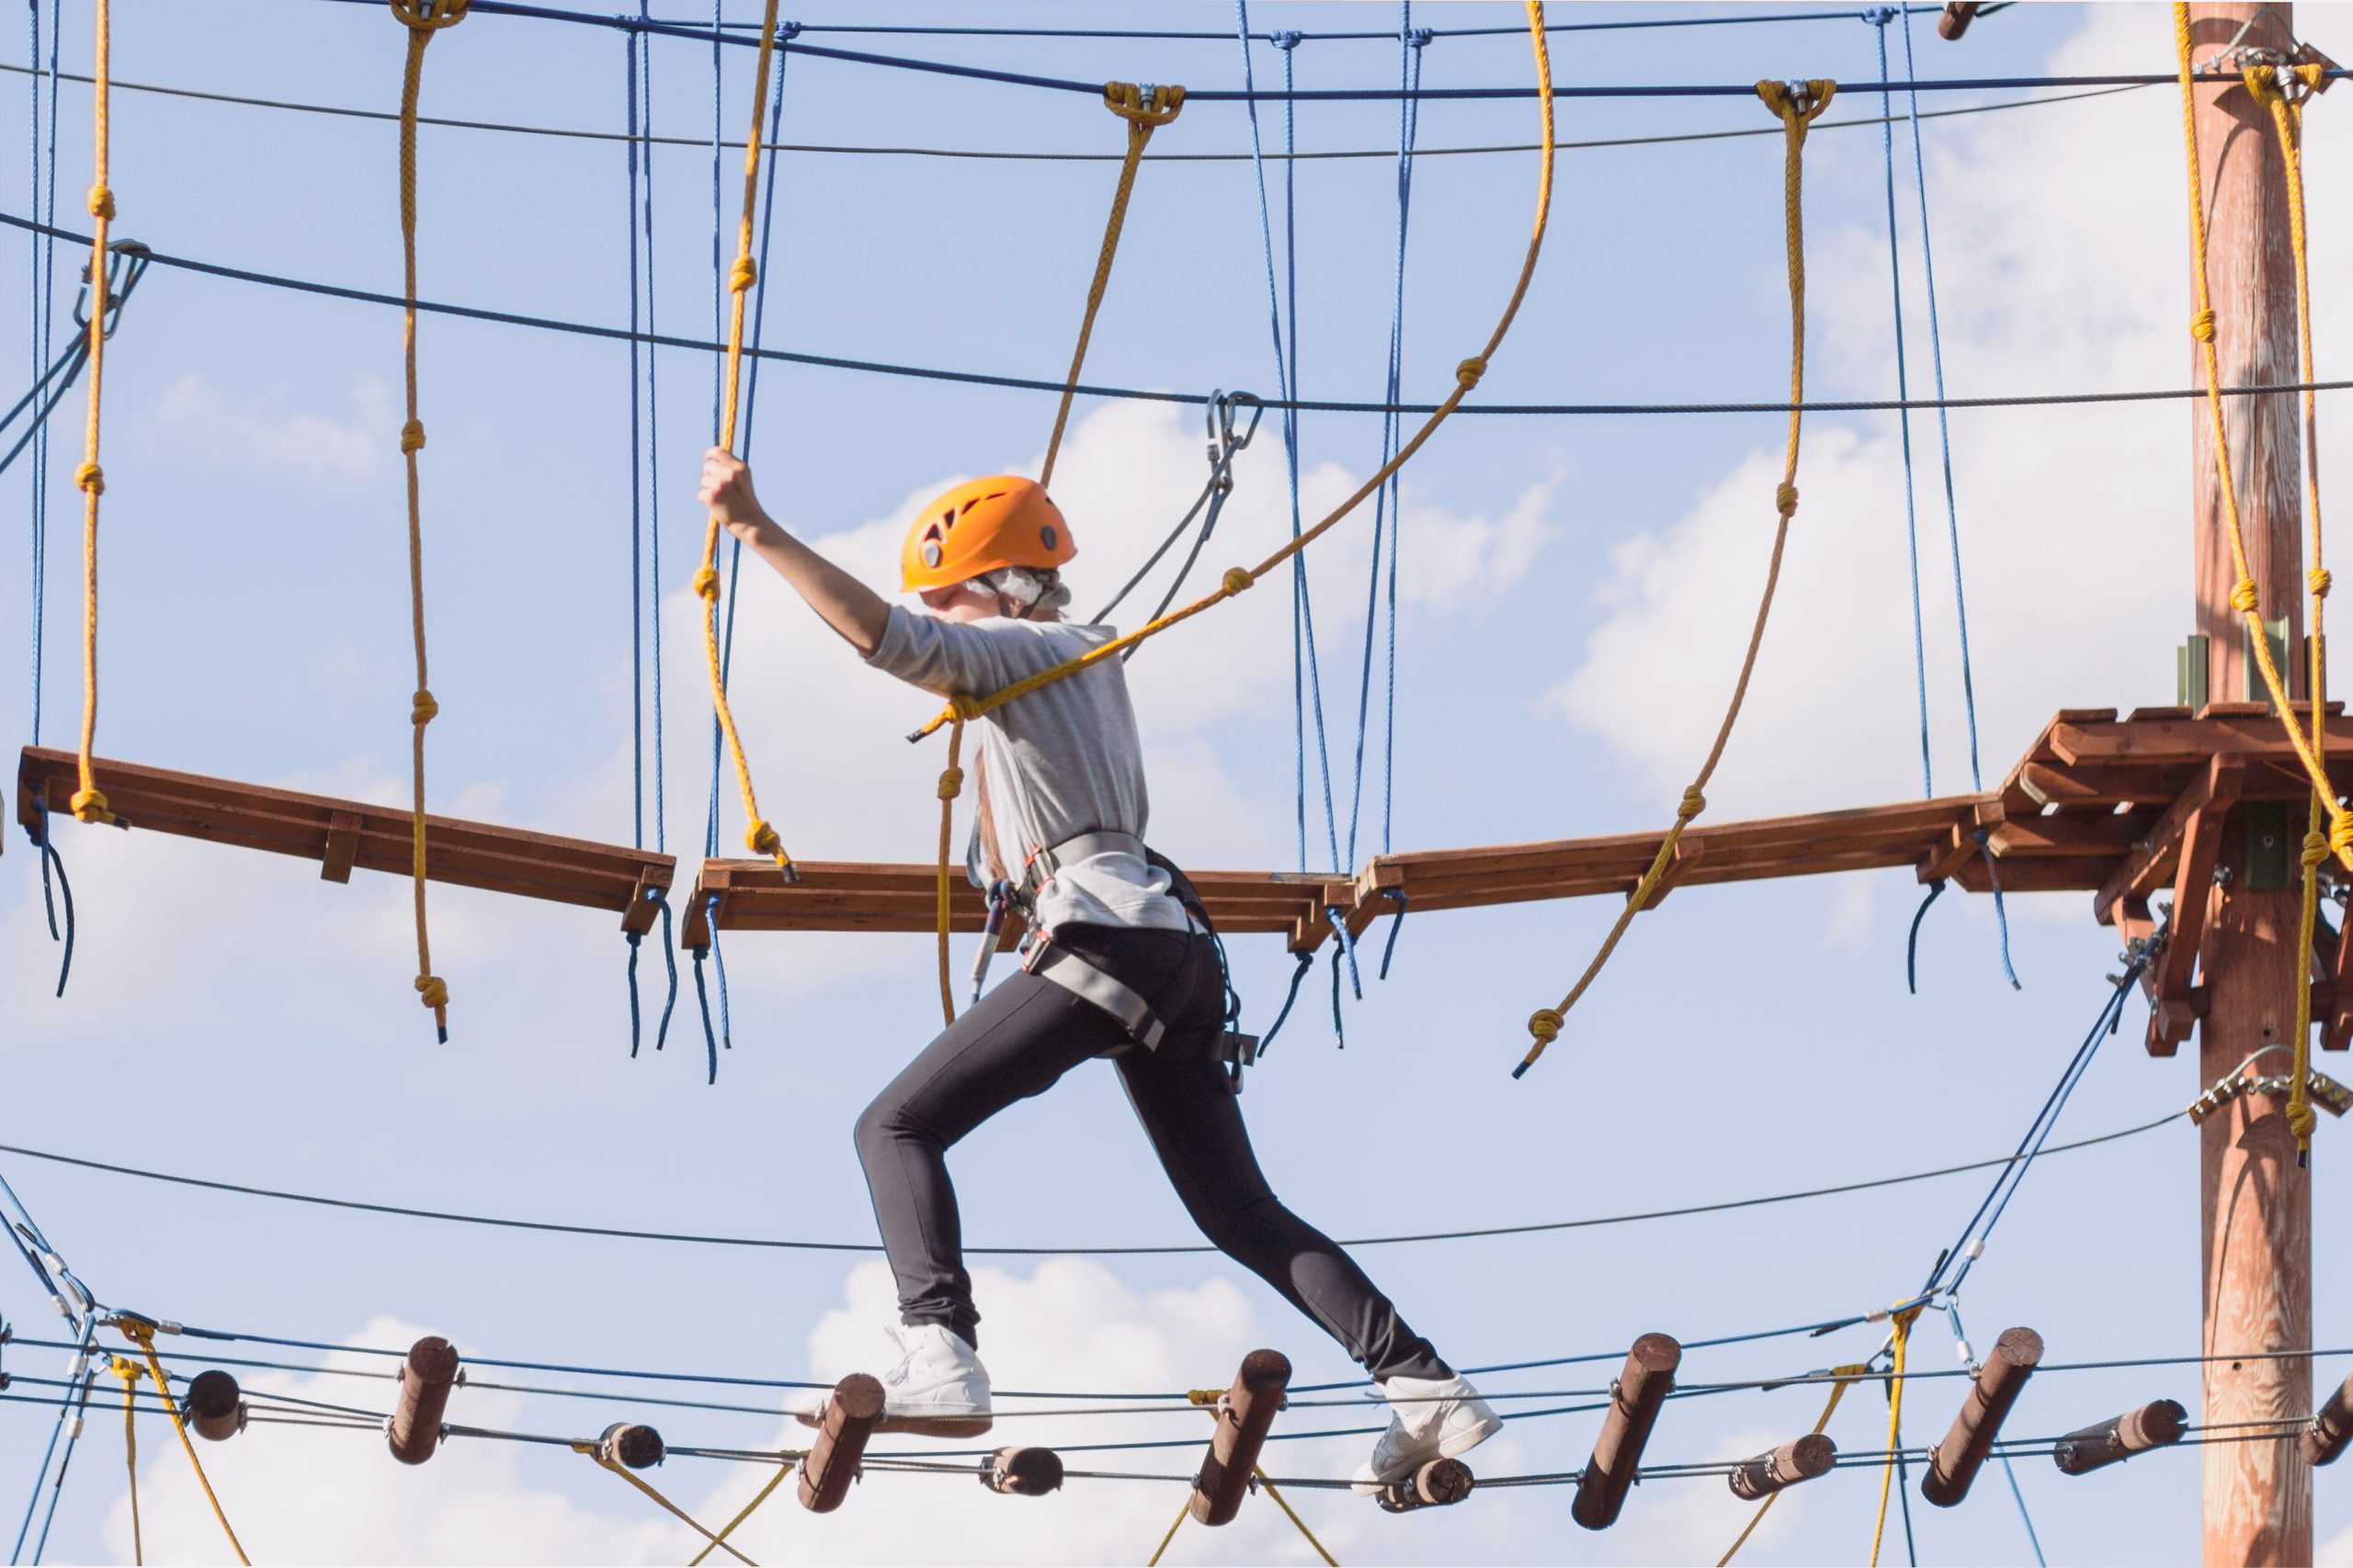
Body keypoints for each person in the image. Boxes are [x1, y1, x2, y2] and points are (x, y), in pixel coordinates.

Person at [697, 449, 1499, 1493]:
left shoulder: (1018, 649)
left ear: (997, 587)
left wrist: (756, 526)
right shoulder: (1085, 658)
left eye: (951, 599)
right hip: (1166, 947)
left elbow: (877, 637)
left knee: (892, 1125)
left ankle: (939, 1347)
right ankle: (1421, 1381)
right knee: (1239, 1210)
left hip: (1104, 938)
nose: (944, 619)